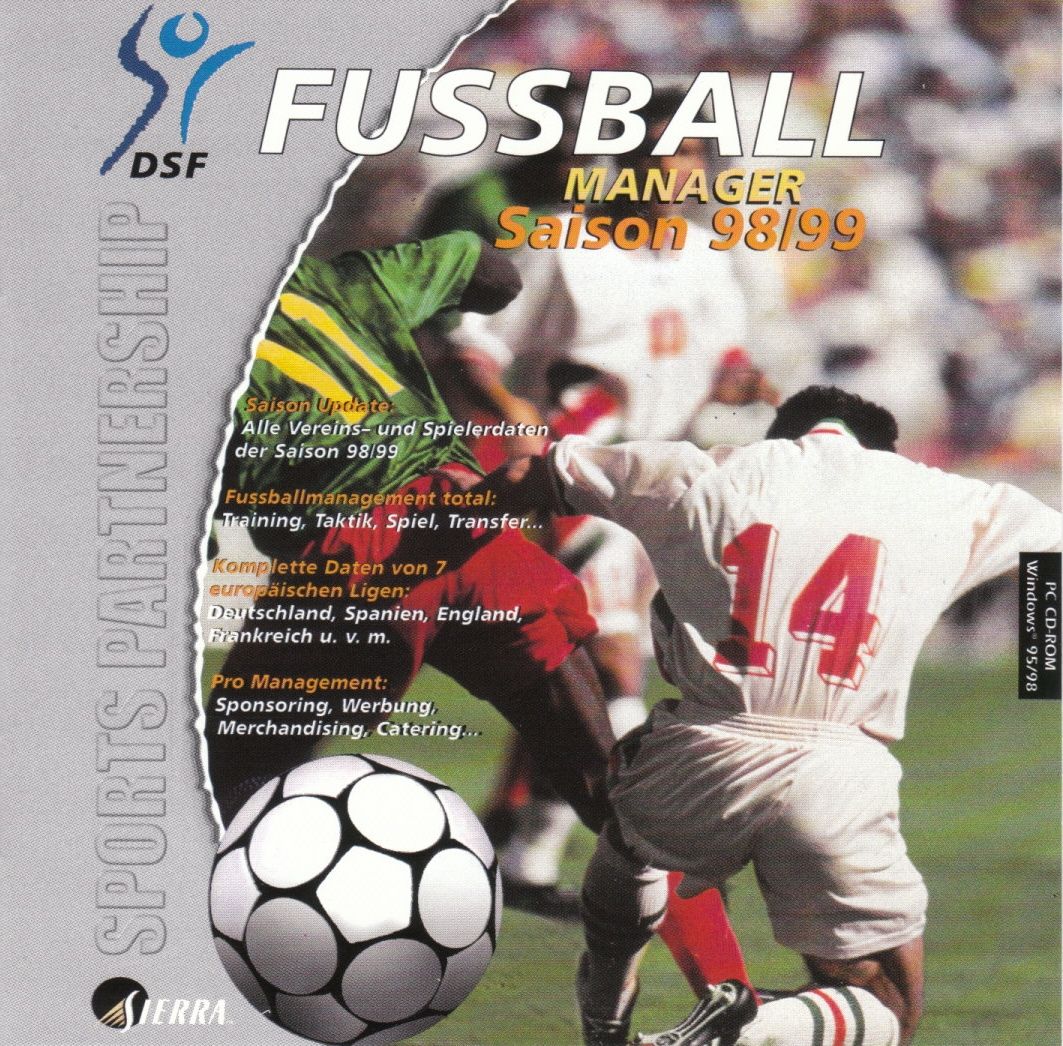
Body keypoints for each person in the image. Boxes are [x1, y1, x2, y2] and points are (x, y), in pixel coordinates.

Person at [474, 385, 1062, 1046]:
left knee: (627, 855)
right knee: (888, 1005)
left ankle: (606, 1026)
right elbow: (1051, 545)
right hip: (838, 768)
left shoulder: (703, 470)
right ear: (881, 451)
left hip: (698, 744)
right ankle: (745, 1028)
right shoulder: (946, 497)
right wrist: (1043, 675)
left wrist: (446, 526)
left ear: (781, 437)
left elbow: (527, 474)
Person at [449, 88, 776, 915]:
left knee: (577, 668)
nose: (665, 170)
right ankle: (654, 860)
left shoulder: (705, 257)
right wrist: (516, 416)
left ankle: (525, 854)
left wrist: (747, 387)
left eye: (683, 154)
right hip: (574, 473)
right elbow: (468, 342)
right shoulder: (562, 245)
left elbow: (723, 361)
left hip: (662, 482)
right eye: (647, 154)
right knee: (610, 662)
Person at [204, 231, 615, 838]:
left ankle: (267, 891)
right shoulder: (331, 283)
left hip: (346, 560)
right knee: (608, 786)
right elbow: (494, 274)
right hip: (462, 526)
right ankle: (677, 887)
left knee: (231, 781)